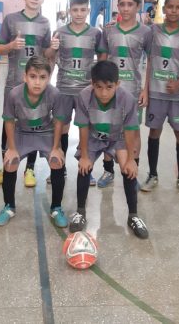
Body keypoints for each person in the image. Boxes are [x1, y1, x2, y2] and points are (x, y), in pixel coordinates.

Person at [0, 0, 57, 188]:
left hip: (35, 85)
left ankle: (30, 169)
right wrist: (11, 45)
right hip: (14, 83)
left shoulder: (45, 23)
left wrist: (53, 47)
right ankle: (5, 165)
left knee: (33, 124)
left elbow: (45, 54)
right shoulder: (10, 20)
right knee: (8, 124)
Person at [69, 60, 148, 239]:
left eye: (109, 87)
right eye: (99, 87)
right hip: (93, 137)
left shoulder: (127, 99)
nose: (104, 93)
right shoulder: (84, 96)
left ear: (117, 84)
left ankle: (133, 215)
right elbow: (83, 127)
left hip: (117, 137)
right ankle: (80, 211)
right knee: (84, 166)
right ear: (92, 84)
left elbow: (130, 130)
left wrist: (131, 159)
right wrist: (84, 155)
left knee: (128, 169)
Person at [0, 56, 67, 227]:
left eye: (42, 77)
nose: (37, 82)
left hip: (45, 133)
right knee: (10, 162)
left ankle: (56, 208)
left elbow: (58, 122)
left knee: (57, 161)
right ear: (25, 77)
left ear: (48, 78)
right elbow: (9, 121)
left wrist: (56, 147)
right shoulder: (14, 94)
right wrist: (12, 148)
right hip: (22, 132)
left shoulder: (54, 94)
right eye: (33, 76)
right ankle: (9, 206)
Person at [140, 0, 179, 196]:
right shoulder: (153, 31)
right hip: (156, 93)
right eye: (170, 7)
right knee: (154, 132)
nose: (173, 11)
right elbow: (148, 61)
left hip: (178, 96)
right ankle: (152, 175)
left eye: (178, 7)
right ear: (164, 9)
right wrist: (145, 89)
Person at [97, 0, 152, 189]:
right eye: (122, 4)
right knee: (108, 130)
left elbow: (151, 62)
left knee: (133, 132)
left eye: (130, 4)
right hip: (110, 92)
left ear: (138, 6)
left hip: (134, 91)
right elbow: (102, 59)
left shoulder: (146, 32)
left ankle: (133, 171)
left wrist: (146, 90)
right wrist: (99, 87)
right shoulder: (109, 30)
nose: (126, 8)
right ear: (118, 6)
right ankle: (108, 170)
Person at [48, 0, 102, 185]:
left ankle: (86, 168)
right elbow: (50, 57)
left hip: (86, 91)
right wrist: (52, 48)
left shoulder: (95, 33)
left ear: (88, 10)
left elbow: (102, 59)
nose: (79, 14)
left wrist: (97, 84)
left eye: (82, 10)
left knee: (86, 128)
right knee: (61, 127)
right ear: (69, 11)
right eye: (75, 10)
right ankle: (59, 168)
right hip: (63, 88)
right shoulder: (60, 32)